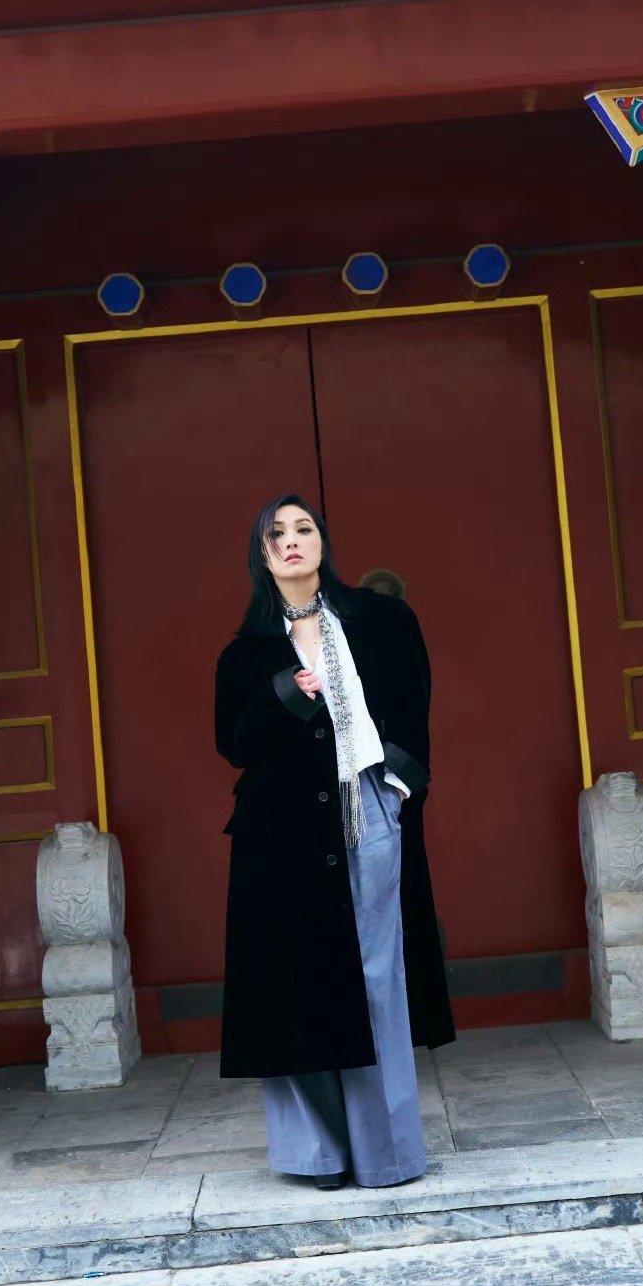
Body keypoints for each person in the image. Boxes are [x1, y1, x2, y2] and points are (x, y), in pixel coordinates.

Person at [214, 493, 455, 1189]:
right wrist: (283, 694)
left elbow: (414, 703)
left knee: (378, 980)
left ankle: (386, 1153)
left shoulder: (381, 620)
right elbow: (234, 744)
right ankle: (317, 1155)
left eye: (304, 528)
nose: (292, 540)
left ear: (323, 542)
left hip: (368, 812)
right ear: (261, 555)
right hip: (279, 834)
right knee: (298, 987)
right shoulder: (245, 654)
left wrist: (399, 787)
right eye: (277, 533)